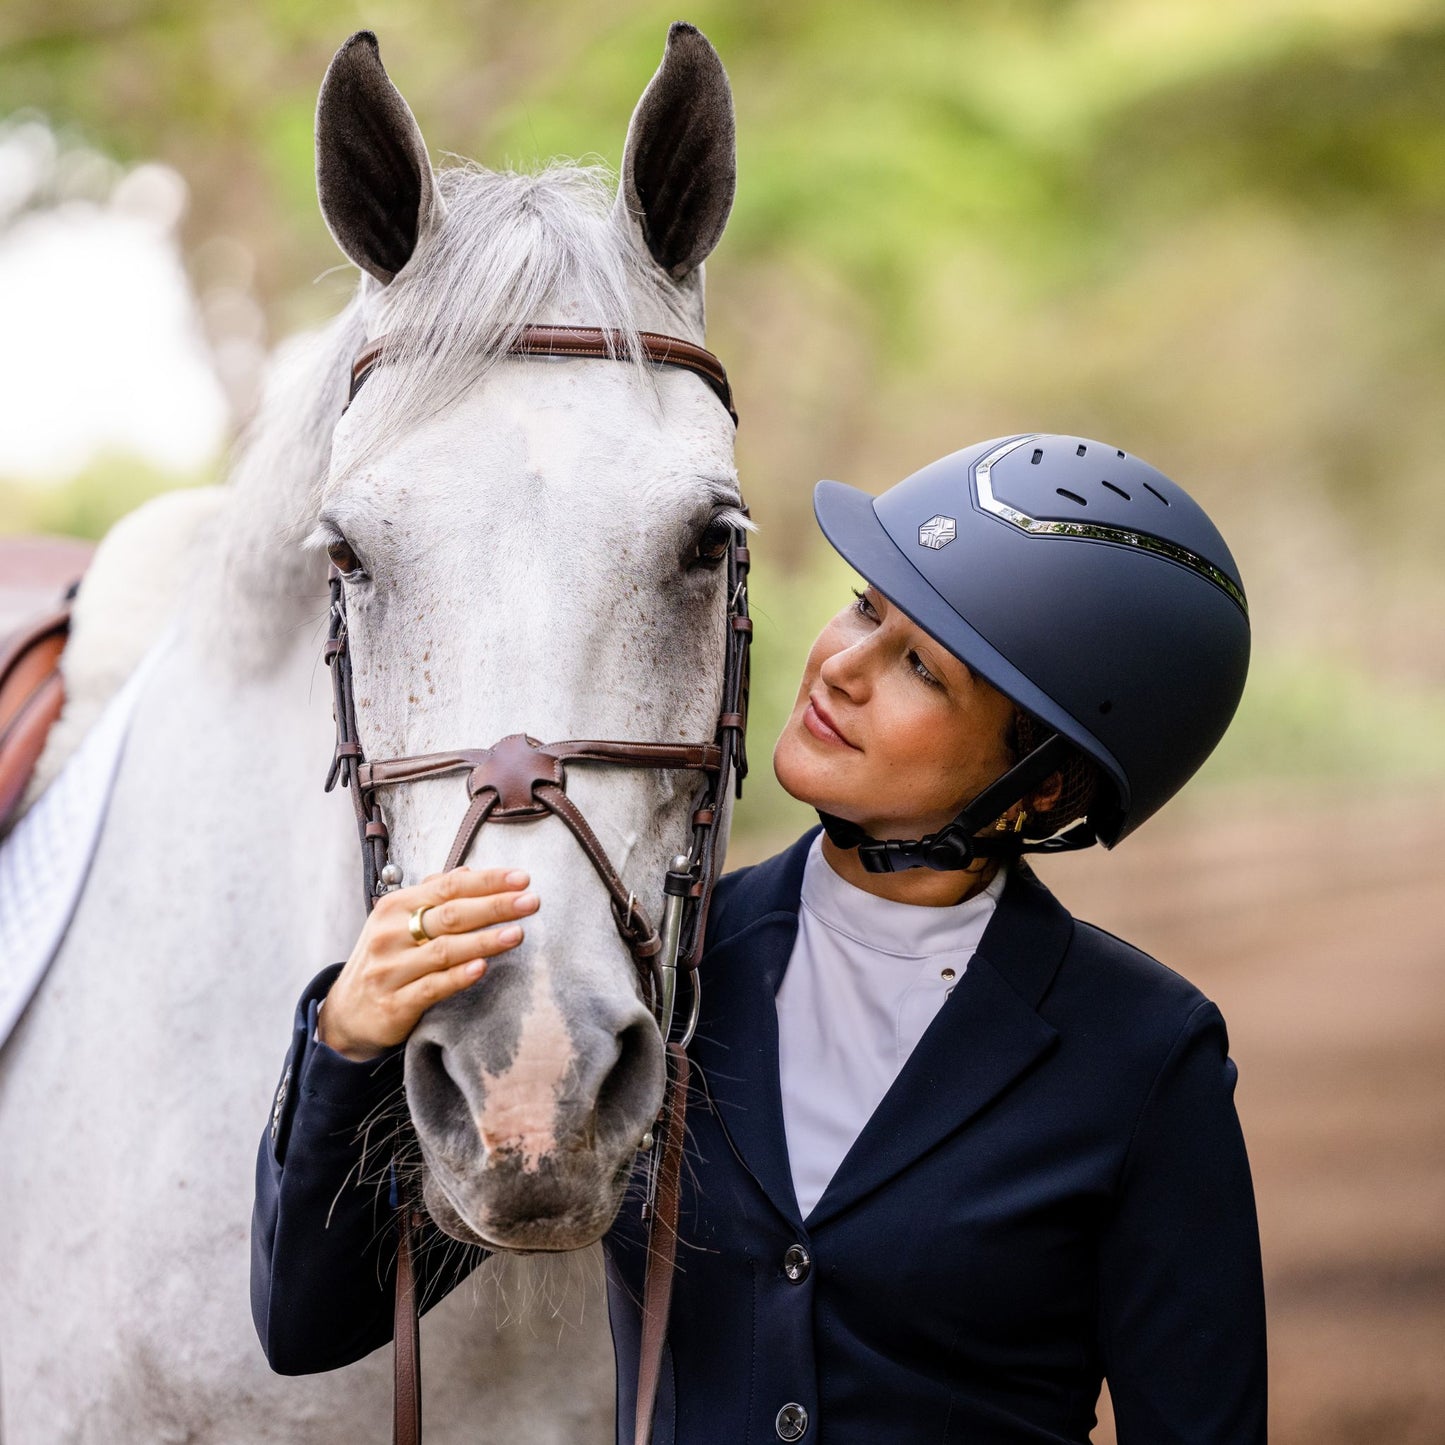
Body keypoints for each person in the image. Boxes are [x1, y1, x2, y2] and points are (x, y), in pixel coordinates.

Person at [253, 433, 1267, 1443]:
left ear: (1040, 786)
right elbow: (313, 1319)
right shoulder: (651, 972)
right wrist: (344, 1039)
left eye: (921, 665)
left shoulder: (1144, 1053)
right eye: (866, 606)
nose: (842, 665)